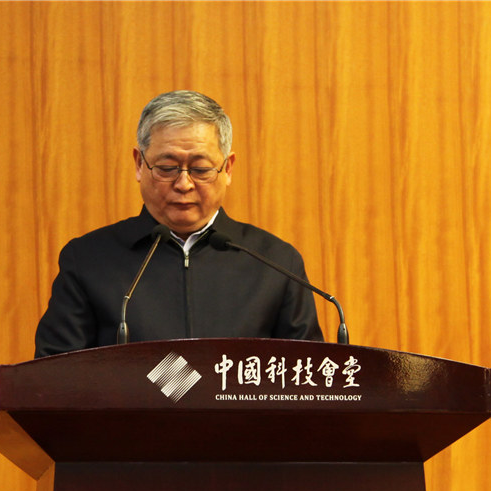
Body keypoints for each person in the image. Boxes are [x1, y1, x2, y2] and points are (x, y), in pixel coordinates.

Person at [34, 90, 323, 357]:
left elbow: (310, 378)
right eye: (167, 168)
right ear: (139, 164)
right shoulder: (88, 260)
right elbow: (53, 377)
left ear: (227, 168)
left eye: (200, 169)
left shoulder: (276, 263)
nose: (184, 184)